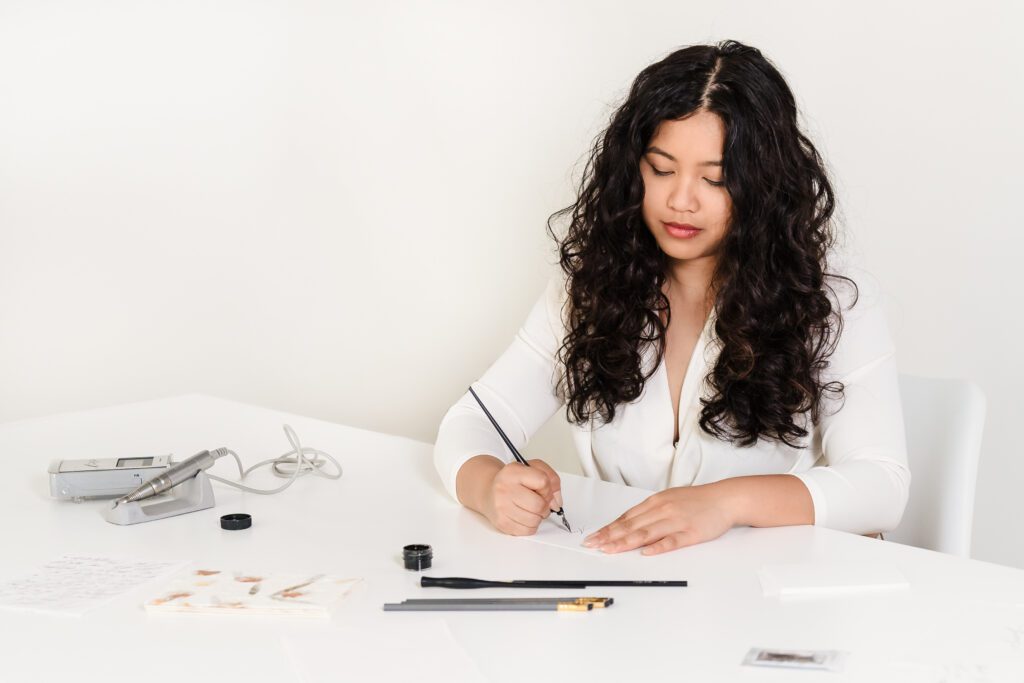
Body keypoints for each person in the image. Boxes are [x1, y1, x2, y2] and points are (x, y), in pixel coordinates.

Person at [432, 39, 910, 556]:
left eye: (716, 179)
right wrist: (489, 487)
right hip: (619, 590)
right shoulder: (591, 286)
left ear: (764, 186)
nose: (680, 200)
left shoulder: (830, 300)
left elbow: (883, 486)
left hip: (762, 597)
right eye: (661, 169)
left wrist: (724, 503)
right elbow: (472, 422)